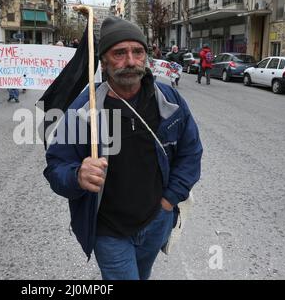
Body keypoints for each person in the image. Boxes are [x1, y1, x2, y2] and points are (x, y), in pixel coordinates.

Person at [44, 16, 203, 280]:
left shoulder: (169, 101)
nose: (130, 61)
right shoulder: (83, 110)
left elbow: (191, 152)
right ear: (104, 62)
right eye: (119, 53)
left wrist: (168, 201)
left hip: (156, 222)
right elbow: (56, 167)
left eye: (137, 52)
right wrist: (77, 176)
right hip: (109, 232)